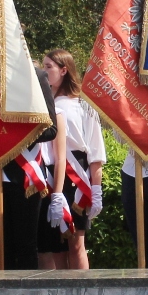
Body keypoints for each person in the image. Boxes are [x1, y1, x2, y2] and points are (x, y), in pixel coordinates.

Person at [0, 67, 59, 270]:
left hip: (24, 175)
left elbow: (50, 129)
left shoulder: (36, 76)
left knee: (26, 246)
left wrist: (9, 134)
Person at [37, 49, 106, 270]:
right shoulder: (41, 107)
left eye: (49, 67)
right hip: (50, 174)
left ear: (64, 70)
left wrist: (96, 188)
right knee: (57, 246)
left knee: (76, 242)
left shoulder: (84, 105)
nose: (44, 72)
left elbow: (95, 152)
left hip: (76, 175)